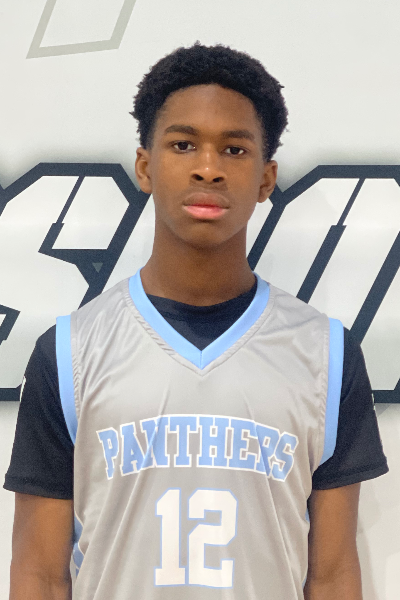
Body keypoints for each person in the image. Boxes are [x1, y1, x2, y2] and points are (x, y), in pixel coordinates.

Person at [5, 43, 388, 600]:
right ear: (145, 167)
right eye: (183, 144)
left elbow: (330, 576)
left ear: (265, 179)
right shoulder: (69, 353)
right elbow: (39, 575)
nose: (208, 168)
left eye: (234, 149)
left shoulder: (325, 354)